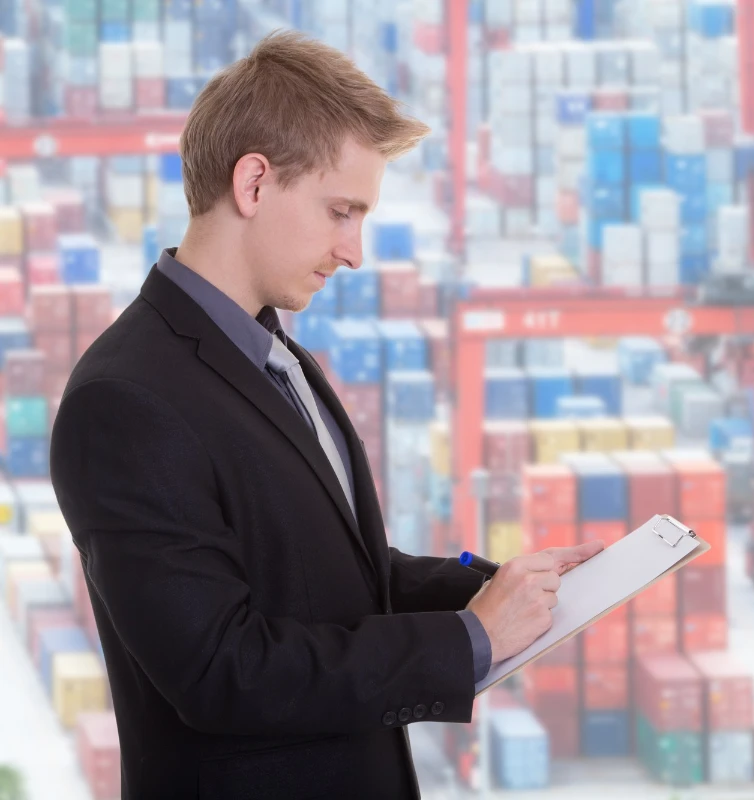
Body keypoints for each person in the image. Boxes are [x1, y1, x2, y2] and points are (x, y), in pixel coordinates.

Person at [48, 31, 603, 799]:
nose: (355, 250)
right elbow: (222, 672)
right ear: (253, 183)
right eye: (342, 211)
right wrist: (468, 641)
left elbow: (326, 575)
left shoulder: (276, 355)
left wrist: (495, 588)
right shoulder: (124, 402)